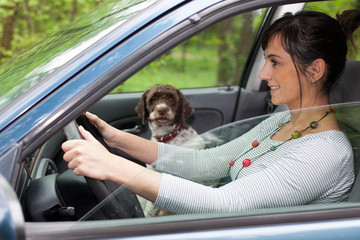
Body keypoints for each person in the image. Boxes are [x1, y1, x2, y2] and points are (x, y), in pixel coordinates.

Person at [62, 10, 360, 214]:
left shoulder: (326, 153)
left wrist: (113, 166)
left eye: (275, 62)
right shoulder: (283, 120)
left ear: (315, 70)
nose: (264, 74)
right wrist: (116, 141)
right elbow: (208, 162)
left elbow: (225, 204)